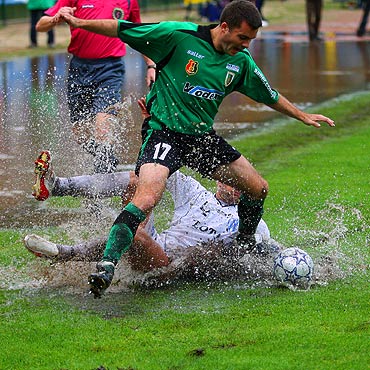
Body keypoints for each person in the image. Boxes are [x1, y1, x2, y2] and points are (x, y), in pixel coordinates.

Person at [60, 0, 335, 298]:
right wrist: (79, 23)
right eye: (243, 38)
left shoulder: (240, 62)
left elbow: (268, 94)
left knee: (258, 188)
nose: (246, 46)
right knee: (146, 198)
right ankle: (107, 266)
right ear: (225, 26)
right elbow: (121, 28)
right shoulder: (179, 36)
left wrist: (303, 115)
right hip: (163, 134)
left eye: (251, 40)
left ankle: (244, 245)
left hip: (202, 139)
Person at [25, 151, 274, 285]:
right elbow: (158, 167)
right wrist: (155, 128)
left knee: (136, 235)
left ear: (246, 189)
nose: (226, 181)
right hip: (155, 243)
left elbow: (262, 251)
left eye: (236, 181)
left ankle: (64, 253)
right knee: (138, 180)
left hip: (169, 266)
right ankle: (56, 186)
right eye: (225, 176)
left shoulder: (251, 221)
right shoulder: (197, 192)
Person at [35, 0, 156, 173]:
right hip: (79, 68)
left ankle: (101, 185)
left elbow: (138, 35)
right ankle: (107, 158)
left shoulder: (129, 2)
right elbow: (40, 25)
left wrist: (150, 65)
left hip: (110, 69)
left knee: (103, 129)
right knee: (80, 134)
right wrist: (56, 17)